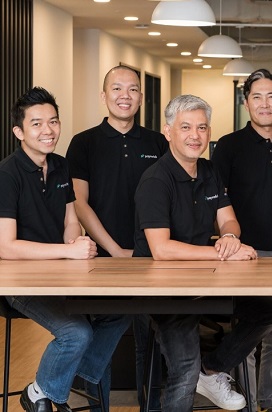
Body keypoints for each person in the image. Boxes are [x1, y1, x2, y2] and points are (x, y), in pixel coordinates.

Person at [133, 94, 272, 411]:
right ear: (168, 131)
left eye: (202, 127)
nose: (195, 135)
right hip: (163, 291)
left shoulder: (208, 171)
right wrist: (222, 254)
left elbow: (228, 218)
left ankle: (212, 368)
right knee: (184, 369)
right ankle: (197, 373)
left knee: (271, 308)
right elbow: (161, 250)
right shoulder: (155, 180)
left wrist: (229, 236)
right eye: (185, 127)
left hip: (205, 283)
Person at [0, 87, 131, 412]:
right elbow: (6, 247)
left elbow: (71, 217)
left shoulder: (59, 165)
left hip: (60, 277)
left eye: (54, 122)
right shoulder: (7, 174)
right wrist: (66, 252)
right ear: (19, 131)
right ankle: (42, 394)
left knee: (125, 307)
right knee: (76, 333)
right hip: (19, 284)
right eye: (37, 124)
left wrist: (74, 241)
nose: (48, 130)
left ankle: (54, 382)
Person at [66, 64, 168, 410]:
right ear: (104, 95)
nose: (125, 96)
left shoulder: (157, 141)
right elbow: (79, 203)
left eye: (133, 89)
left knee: (148, 339)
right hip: (100, 259)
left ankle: (150, 407)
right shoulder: (84, 143)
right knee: (103, 340)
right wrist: (113, 250)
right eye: (117, 89)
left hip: (150, 258)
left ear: (141, 97)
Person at [212, 69, 272, 412]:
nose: (265, 104)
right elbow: (216, 198)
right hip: (243, 255)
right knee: (248, 335)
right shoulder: (228, 146)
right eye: (257, 97)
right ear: (246, 102)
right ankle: (247, 402)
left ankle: (271, 402)